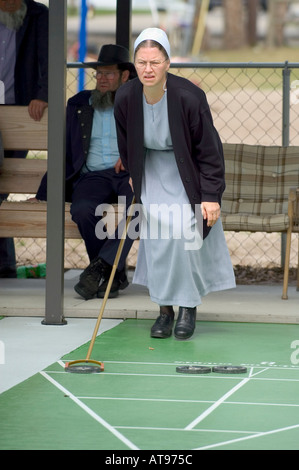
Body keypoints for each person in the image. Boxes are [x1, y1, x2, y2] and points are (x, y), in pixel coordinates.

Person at [114, 28, 236, 340]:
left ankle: (188, 307)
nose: (148, 69)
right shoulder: (127, 95)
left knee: (185, 236)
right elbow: (125, 141)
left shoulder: (189, 97)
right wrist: (132, 170)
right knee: (157, 242)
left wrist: (211, 196)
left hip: (187, 173)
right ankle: (164, 309)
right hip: (151, 170)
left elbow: (210, 151)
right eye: (142, 62)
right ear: (135, 64)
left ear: (168, 63)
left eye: (155, 62)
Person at [34, 44, 136, 300]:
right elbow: (65, 149)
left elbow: (152, 140)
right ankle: (112, 272)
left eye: (109, 74)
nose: (101, 79)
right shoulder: (80, 103)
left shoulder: (139, 102)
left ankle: (101, 269)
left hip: (129, 174)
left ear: (125, 76)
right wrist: (44, 191)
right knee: (81, 209)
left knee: (141, 207)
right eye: (98, 73)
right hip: (93, 176)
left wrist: (132, 157)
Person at [0, 0, 49, 278]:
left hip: (21, 112)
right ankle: (4, 265)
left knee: (2, 188)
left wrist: (43, 93)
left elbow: (47, 59)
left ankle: (5, 266)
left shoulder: (39, 15)